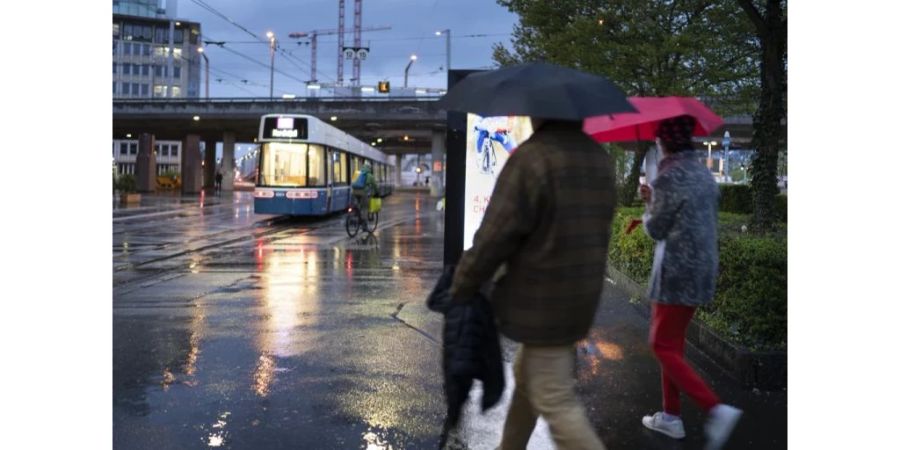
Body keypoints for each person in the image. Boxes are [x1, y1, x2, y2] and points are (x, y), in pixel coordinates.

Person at [450, 118, 615, 450]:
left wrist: (463, 282)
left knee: (556, 400)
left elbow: (494, 237)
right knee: (528, 377)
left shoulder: (534, 157)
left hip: (542, 302)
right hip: (580, 298)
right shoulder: (597, 157)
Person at [638, 116, 742, 450]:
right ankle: (671, 417)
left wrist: (649, 203)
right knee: (673, 344)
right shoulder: (704, 175)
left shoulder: (668, 177)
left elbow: (655, 229)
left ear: (663, 142)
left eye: (657, 140)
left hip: (675, 274)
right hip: (702, 270)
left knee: (661, 345)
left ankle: (715, 409)